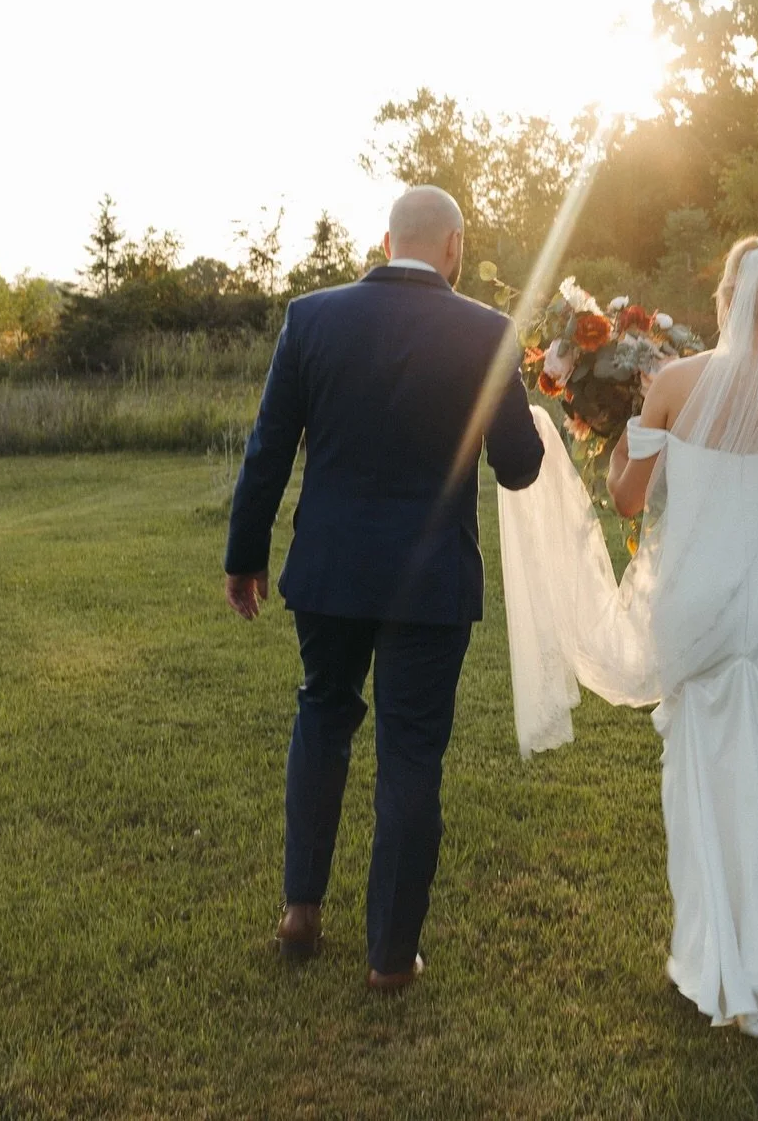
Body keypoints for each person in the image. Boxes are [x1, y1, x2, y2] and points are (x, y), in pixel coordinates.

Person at [497, 235, 758, 1063]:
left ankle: (726, 967)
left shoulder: (672, 383)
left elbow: (629, 496)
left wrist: (634, 434)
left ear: (729, 301)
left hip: (699, 598)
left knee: (708, 782)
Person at [223, 185, 544, 983]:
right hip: (431, 581)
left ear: (386, 238)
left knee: (322, 714)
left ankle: (300, 910)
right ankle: (391, 956)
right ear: (454, 245)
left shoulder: (313, 316)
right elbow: (519, 467)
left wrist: (245, 555)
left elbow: (268, 448)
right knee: (410, 755)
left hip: (330, 569)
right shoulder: (488, 333)